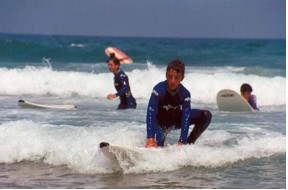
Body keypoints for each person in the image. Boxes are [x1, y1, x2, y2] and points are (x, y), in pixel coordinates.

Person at [145, 59, 212, 148]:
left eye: (176, 77)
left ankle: (189, 143)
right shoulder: (158, 89)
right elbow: (151, 112)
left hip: (175, 119)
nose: (172, 81)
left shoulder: (185, 94)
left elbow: (186, 117)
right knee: (157, 147)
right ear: (166, 75)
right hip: (161, 123)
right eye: (170, 76)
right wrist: (150, 138)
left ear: (182, 78)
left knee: (206, 115)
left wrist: (182, 140)